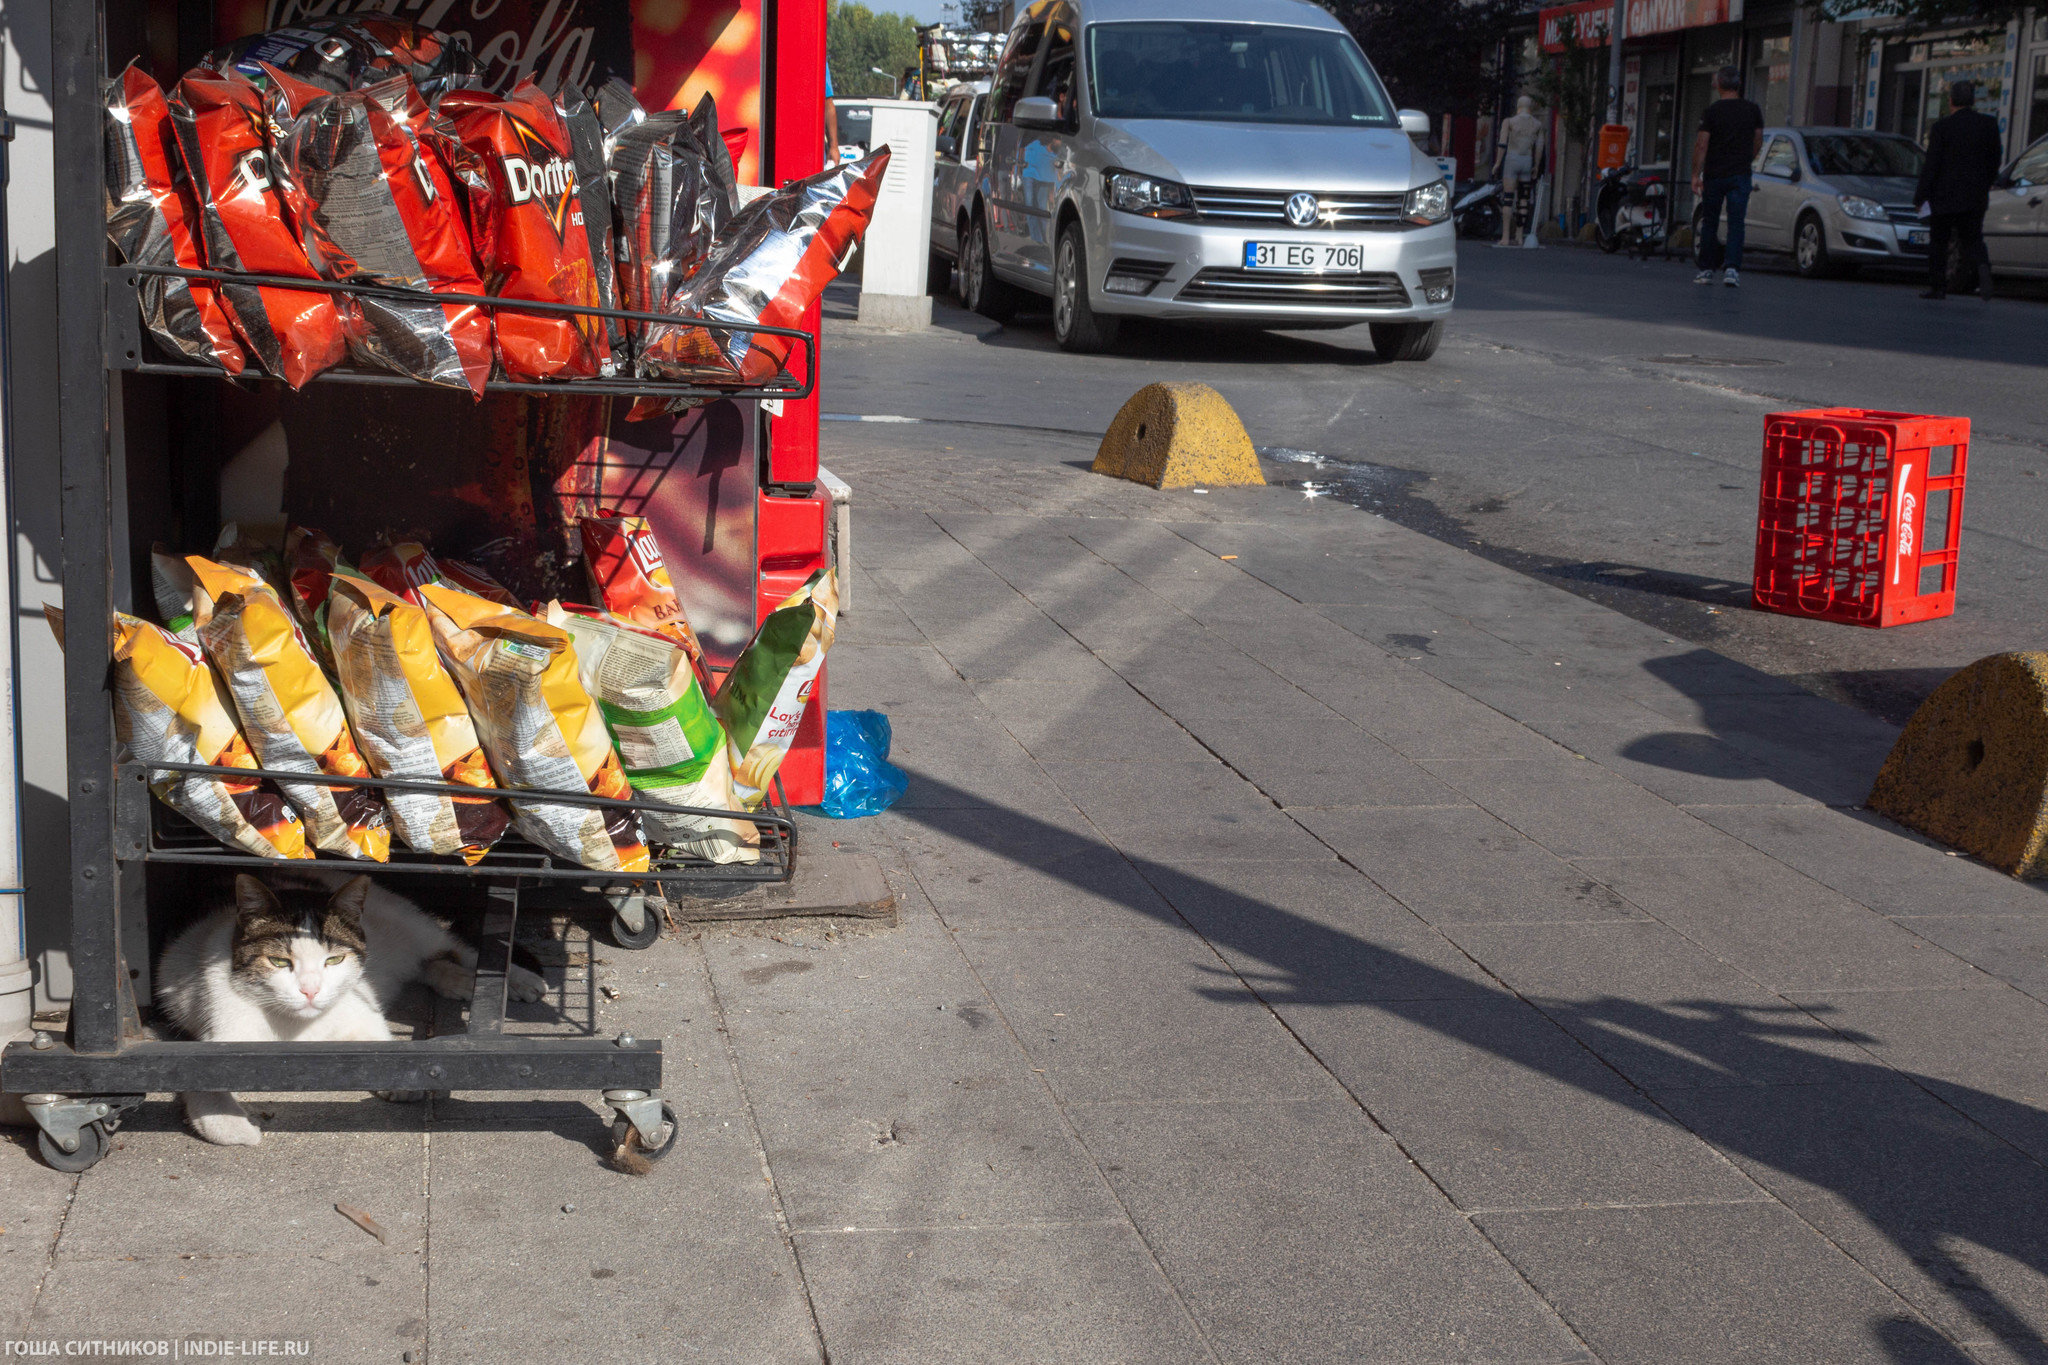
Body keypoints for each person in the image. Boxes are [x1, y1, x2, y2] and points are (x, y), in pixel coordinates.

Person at [1915, 80, 2004, 301]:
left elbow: (1932, 165)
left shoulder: (1942, 128)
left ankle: (1938, 287)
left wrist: (1920, 196)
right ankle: (1983, 267)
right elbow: (1995, 160)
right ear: (1973, 101)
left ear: (1951, 101)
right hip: (1974, 196)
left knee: (1939, 241)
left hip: (1944, 196)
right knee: (1974, 237)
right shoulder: (1988, 125)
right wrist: (1985, 183)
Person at [1691, 65, 1764, 287]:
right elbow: (1758, 140)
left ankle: (1706, 269)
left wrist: (1696, 174)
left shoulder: (1711, 112)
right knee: (1736, 222)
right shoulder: (1753, 110)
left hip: (1714, 174)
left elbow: (1702, 145)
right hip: (1740, 174)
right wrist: (1747, 159)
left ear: (1718, 85)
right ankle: (1732, 269)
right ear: (1738, 85)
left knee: (1710, 221)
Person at [1491, 96, 1545, 247]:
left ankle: (1506, 237)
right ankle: (1520, 236)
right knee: (1523, 199)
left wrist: (1497, 163)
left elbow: (1502, 144)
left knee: (1508, 198)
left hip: (1512, 159)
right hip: (1527, 160)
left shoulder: (1509, 122)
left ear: (1518, 106)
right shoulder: (1538, 124)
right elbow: (1539, 147)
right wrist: (1536, 165)